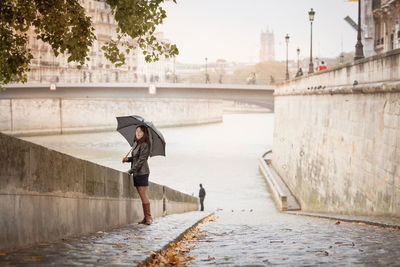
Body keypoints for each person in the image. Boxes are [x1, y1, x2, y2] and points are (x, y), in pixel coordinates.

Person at [122, 125, 152, 225]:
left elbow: (141, 161)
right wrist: (127, 159)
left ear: (144, 133)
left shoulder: (145, 145)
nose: (138, 133)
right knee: (141, 194)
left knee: (143, 194)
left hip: (142, 172)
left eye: (140, 132)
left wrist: (130, 171)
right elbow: (135, 158)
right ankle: (145, 218)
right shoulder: (136, 143)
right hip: (136, 172)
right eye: (137, 131)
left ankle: (148, 218)